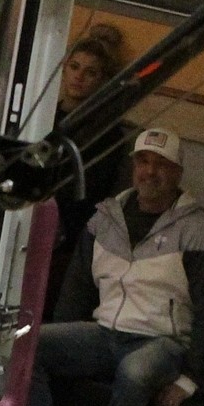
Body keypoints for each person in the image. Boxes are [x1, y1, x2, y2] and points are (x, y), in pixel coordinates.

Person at [24, 127, 204, 406]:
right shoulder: (105, 218)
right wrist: (62, 334)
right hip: (104, 334)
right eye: (144, 161)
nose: (150, 171)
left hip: (162, 342)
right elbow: (76, 289)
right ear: (133, 167)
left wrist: (189, 380)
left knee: (134, 373)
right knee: (23, 345)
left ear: (178, 173)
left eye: (162, 164)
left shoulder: (197, 231)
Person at [45, 30, 129, 319]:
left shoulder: (107, 135)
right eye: (74, 67)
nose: (78, 77)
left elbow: (92, 194)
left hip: (68, 237)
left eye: (90, 72)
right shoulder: (44, 118)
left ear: (102, 81)